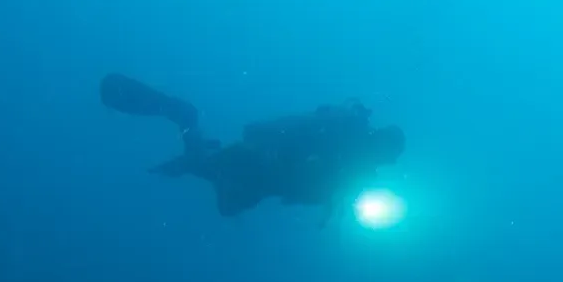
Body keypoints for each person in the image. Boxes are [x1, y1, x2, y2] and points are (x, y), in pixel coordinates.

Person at [100, 73, 405, 219]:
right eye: (388, 155)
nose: (385, 162)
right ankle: (181, 116)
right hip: (255, 160)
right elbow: (299, 133)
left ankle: (184, 152)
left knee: (221, 196)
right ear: (380, 142)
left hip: (259, 183)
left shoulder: (357, 171)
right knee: (204, 162)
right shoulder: (345, 130)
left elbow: (320, 194)